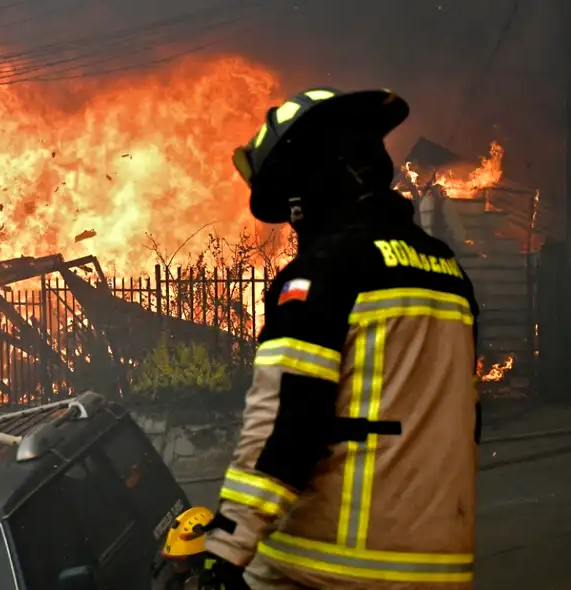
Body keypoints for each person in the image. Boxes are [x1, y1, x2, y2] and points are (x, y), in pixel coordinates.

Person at [199, 88, 481, 590]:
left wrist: (224, 548)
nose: (292, 222)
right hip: (442, 563)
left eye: (291, 204)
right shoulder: (447, 271)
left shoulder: (320, 274)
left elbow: (286, 424)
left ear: (308, 191)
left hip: (336, 562)